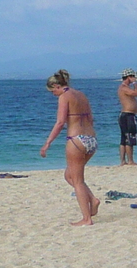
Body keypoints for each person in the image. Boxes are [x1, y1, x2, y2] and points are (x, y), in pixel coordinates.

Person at [39, 69, 100, 226]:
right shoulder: (81, 95)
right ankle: (92, 200)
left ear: (56, 85)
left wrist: (48, 143)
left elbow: (60, 122)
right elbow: (91, 119)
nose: (53, 94)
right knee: (69, 175)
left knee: (78, 181)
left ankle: (87, 218)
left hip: (76, 140)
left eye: (52, 90)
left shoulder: (64, 97)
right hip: (91, 139)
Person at [117, 70, 137, 166]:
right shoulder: (124, 87)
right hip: (127, 115)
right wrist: (135, 83)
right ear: (129, 77)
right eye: (132, 77)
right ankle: (130, 160)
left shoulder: (125, 88)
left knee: (124, 138)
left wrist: (136, 108)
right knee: (129, 137)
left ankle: (124, 161)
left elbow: (129, 99)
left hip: (128, 114)